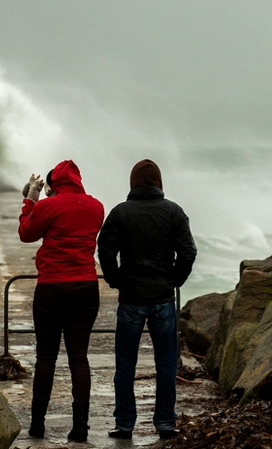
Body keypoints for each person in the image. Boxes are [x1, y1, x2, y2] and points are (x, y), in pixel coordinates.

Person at [97, 159, 197, 440]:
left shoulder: (120, 213)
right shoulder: (174, 212)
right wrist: (175, 279)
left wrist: (115, 278)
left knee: (125, 364)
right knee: (166, 363)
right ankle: (165, 422)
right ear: (159, 182)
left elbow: (105, 249)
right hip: (163, 298)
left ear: (133, 182)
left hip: (131, 298)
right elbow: (188, 252)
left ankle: (125, 424)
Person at [18, 160, 105, 442]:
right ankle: (80, 427)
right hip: (85, 287)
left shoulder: (47, 206)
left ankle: (37, 426)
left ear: (53, 185)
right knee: (79, 358)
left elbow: (26, 233)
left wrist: (31, 200)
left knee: (46, 357)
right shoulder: (96, 207)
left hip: (52, 287)